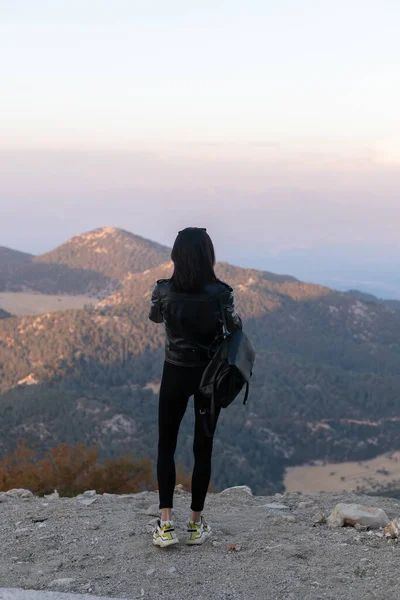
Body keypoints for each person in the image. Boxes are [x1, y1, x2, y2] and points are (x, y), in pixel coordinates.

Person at [149, 227, 242, 548]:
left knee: (166, 445)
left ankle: (165, 525)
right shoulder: (220, 293)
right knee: (203, 447)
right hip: (208, 377)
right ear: (208, 255)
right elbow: (234, 327)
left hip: (173, 372)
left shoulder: (163, 289)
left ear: (176, 254)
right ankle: (195, 524)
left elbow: (155, 318)